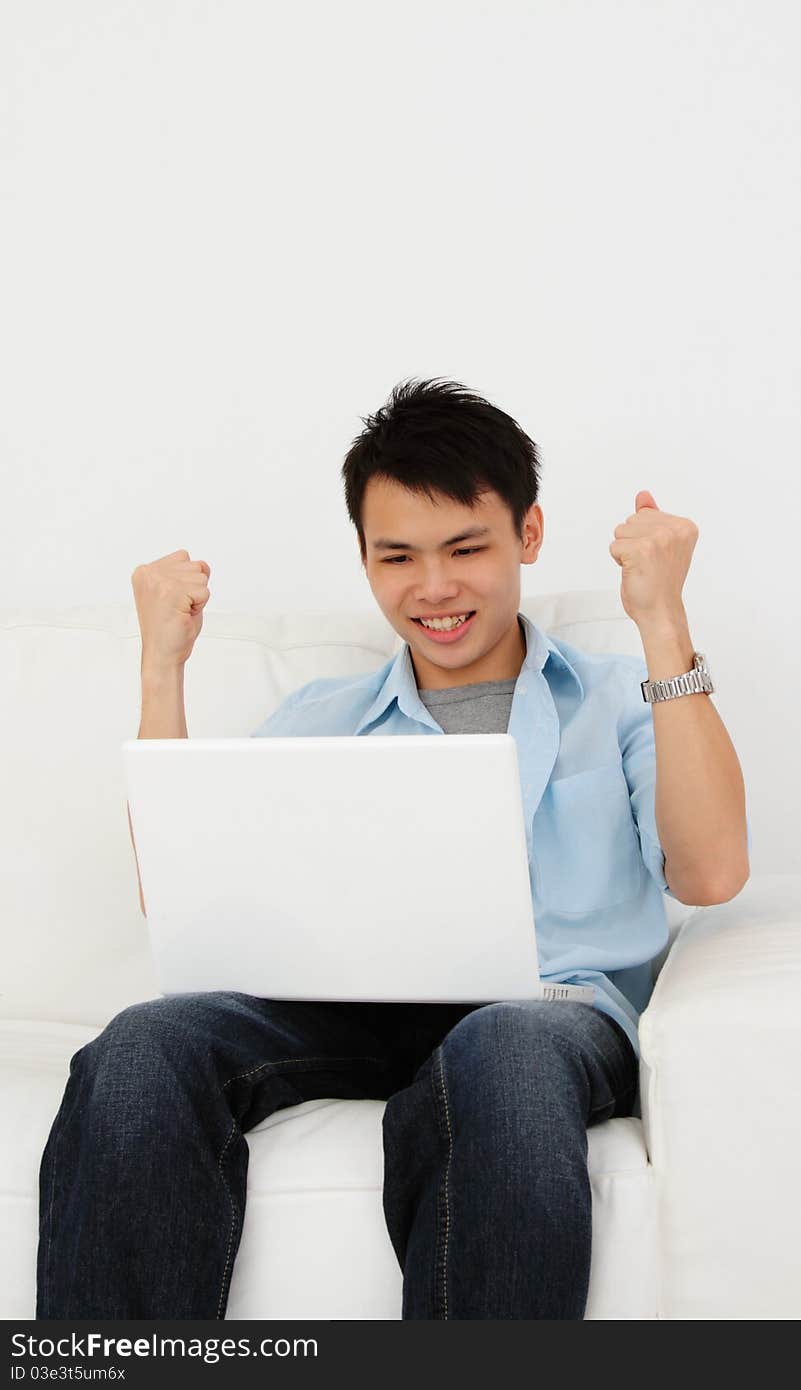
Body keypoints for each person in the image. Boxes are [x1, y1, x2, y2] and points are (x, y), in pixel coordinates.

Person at [36, 376, 746, 1320]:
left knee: (504, 1047)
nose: (434, 587)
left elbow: (711, 872)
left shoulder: (621, 695)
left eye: (466, 548)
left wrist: (663, 620)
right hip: (346, 1011)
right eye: (398, 557)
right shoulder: (321, 719)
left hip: (543, 1013)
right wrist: (161, 668)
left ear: (528, 537)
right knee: (141, 1044)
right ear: (366, 562)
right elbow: (181, 899)